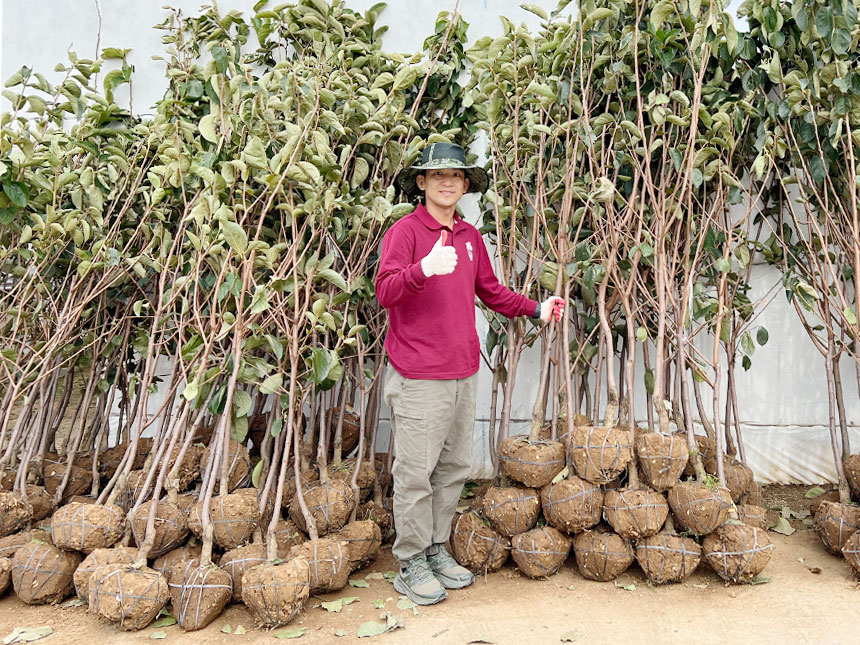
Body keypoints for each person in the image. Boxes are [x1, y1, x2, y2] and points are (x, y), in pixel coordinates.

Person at [375, 142, 565, 605]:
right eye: (437, 174)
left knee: (454, 467)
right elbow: (385, 291)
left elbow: (491, 291)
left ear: (464, 186)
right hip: (419, 373)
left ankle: (436, 547)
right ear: (421, 182)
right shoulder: (405, 233)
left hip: (463, 371)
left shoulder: (469, 236)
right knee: (416, 472)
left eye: (456, 176)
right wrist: (423, 268)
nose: (447, 182)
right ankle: (411, 561)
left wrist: (536, 308)